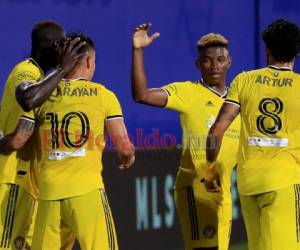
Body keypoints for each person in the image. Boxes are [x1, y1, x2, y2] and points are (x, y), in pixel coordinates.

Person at [4, 33, 134, 250]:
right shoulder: (103, 95)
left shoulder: (41, 96)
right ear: (89, 61)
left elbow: (18, 140)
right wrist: (128, 156)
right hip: (87, 195)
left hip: (48, 197)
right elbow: (124, 145)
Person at [131, 23, 240, 250]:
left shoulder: (238, 101)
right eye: (208, 60)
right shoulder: (188, 92)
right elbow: (141, 95)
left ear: (229, 62)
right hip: (196, 187)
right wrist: (138, 51)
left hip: (224, 192)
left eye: (220, 59)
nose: (214, 66)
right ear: (198, 64)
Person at [205, 18, 300, 250]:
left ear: (267, 50)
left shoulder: (244, 80)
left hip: (249, 184)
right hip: (284, 182)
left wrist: (209, 169)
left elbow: (215, 132)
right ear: (295, 53)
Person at [0, 20, 84, 250]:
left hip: (26, 182)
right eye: (63, 45)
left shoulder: (43, 79)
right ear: (52, 46)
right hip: (11, 179)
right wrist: (62, 69)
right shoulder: (26, 70)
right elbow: (27, 99)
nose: (66, 51)